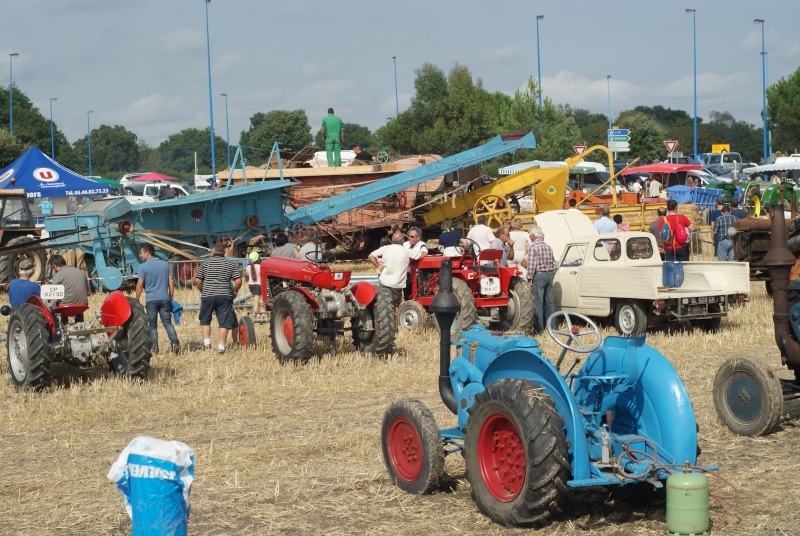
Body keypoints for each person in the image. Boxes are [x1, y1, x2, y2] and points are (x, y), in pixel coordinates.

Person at [194, 243, 242, 355]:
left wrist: (202, 290)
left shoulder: (205, 263)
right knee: (224, 322)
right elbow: (239, 281)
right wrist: (235, 291)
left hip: (207, 295)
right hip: (224, 295)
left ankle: (207, 344)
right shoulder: (230, 264)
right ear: (224, 252)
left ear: (213, 251)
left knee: (205, 320)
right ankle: (221, 348)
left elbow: (198, 281)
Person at [135, 244, 179, 354]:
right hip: (164, 298)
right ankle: (175, 343)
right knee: (167, 323)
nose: (140, 255)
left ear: (147, 253)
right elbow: (171, 280)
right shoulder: (165, 265)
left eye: (141, 253)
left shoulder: (142, 267)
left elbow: (140, 284)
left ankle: (154, 348)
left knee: (153, 325)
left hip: (151, 299)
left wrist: (136, 299)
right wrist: (171, 294)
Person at [368, 232, 424, 317]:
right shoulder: (406, 251)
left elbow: (370, 256)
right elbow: (421, 255)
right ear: (402, 241)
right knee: (396, 305)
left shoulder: (385, 248)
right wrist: (424, 250)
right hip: (397, 283)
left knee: (384, 305)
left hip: (384, 281)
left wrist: (379, 266)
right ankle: (396, 325)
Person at [523, 225, 556, 335]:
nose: (530, 238)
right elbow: (554, 264)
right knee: (549, 302)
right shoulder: (548, 246)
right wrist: (551, 274)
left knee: (538, 302)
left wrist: (529, 279)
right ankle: (552, 328)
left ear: (533, 235)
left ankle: (539, 329)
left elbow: (532, 265)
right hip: (549, 274)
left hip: (539, 275)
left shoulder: (533, 247)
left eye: (530, 236)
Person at [50, 254, 92, 322]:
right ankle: (80, 325)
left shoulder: (58, 275)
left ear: (55, 266)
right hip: (82, 306)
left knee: (50, 307)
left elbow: (56, 299)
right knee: (78, 307)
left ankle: (60, 326)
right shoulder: (81, 272)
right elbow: (89, 293)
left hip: (65, 307)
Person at [403, 227, 428, 299]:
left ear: (418, 238)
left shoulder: (422, 245)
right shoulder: (405, 244)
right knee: (406, 296)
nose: (409, 238)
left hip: (417, 276)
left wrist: (413, 259)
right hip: (406, 275)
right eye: (408, 236)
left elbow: (424, 253)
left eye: (412, 236)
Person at [246, 251, 263, 315]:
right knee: (256, 300)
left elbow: (247, 275)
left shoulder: (248, 267)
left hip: (251, 285)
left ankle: (259, 313)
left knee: (256, 299)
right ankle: (255, 313)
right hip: (258, 285)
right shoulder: (259, 266)